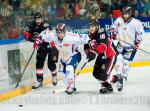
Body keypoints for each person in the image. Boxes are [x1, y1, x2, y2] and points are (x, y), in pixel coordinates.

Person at [39, 23, 90, 95]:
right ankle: (69, 86)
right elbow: (45, 33)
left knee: (69, 68)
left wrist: (91, 43)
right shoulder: (53, 35)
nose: (60, 34)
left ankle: (71, 87)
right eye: (58, 32)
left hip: (75, 54)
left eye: (62, 32)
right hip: (64, 57)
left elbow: (86, 37)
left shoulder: (71, 36)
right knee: (61, 72)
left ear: (65, 31)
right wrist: (39, 39)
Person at [85, 19, 123, 93]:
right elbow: (87, 45)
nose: (91, 28)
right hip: (101, 55)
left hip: (110, 55)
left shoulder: (101, 32)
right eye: (90, 26)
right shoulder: (89, 34)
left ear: (97, 27)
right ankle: (107, 86)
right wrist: (87, 52)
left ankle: (118, 78)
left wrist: (93, 52)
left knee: (103, 75)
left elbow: (103, 46)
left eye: (92, 26)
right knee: (95, 73)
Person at [23, 12, 59, 89]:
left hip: (50, 46)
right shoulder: (32, 25)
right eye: (36, 19)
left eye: (39, 19)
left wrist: (38, 40)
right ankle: (39, 80)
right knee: (39, 63)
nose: (38, 21)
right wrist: (32, 39)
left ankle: (54, 76)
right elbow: (26, 34)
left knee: (51, 64)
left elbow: (48, 34)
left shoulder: (45, 25)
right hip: (41, 47)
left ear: (41, 19)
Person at [110, 6, 144, 81]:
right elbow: (113, 27)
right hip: (121, 44)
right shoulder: (119, 20)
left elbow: (141, 34)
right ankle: (118, 74)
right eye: (123, 14)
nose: (124, 15)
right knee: (117, 58)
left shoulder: (136, 23)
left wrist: (137, 42)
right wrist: (113, 32)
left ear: (130, 14)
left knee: (126, 63)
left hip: (131, 47)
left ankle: (124, 76)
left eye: (126, 14)